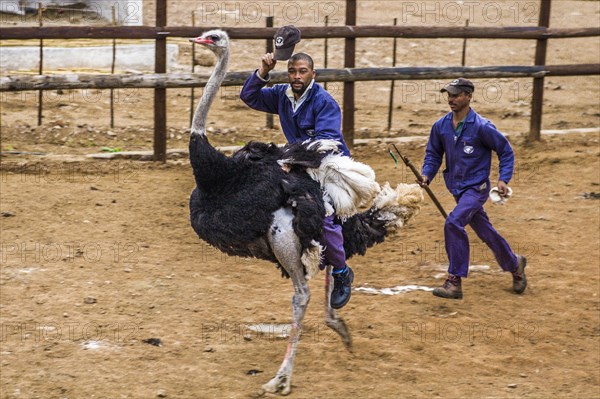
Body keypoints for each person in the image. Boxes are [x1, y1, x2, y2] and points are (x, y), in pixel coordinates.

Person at [239, 28, 353, 309]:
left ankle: (341, 271)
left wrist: (293, 159)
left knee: (323, 212)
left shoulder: (324, 102)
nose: (297, 77)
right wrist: (263, 71)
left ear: (313, 74)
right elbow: (248, 96)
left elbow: (327, 142)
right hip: (297, 163)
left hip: (328, 164)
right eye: (292, 71)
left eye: (302, 71)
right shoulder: (281, 94)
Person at [419, 78, 527, 299]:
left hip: (476, 189)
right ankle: (515, 264)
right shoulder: (440, 126)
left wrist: (503, 179)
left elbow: (505, 151)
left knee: (453, 222)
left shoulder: (482, 127)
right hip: (456, 188)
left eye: (456, 95)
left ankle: (454, 281)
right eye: (449, 94)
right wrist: (426, 175)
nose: (451, 99)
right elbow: (433, 154)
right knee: (485, 231)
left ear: (468, 96)